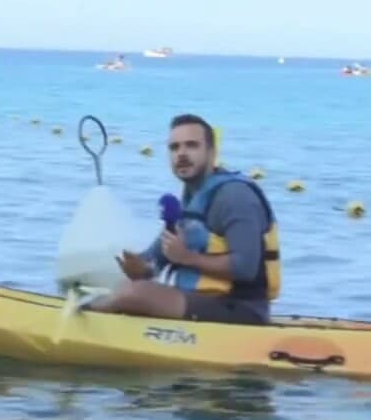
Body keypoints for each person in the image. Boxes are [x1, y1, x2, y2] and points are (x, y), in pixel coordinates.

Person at [85, 113, 281, 325]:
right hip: (202, 302)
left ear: (212, 153)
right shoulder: (190, 201)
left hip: (243, 309)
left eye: (191, 146)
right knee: (126, 287)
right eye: (174, 147)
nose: (182, 154)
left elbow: (246, 267)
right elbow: (155, 260)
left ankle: (85, 314)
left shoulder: (235, 197)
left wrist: (187, 258)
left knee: (134, 293)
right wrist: (140, 269)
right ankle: (97, 308)